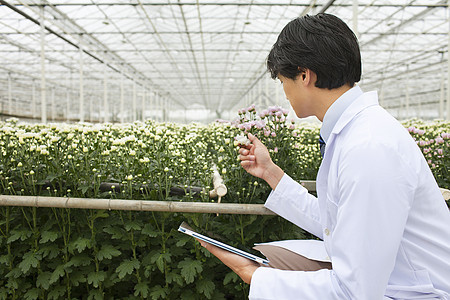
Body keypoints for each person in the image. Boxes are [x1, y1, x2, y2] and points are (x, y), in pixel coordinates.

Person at [199, 13, 450, 299]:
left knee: (269, 265)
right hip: (391, 280)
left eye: (283, 81)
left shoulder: (369, 148)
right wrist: (270, 172)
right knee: (274, 254)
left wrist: (255, 276)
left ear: (304, 75)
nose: (284, 94)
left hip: (414, 293)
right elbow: (336, 224)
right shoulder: (357, 132)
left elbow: (355, 292)